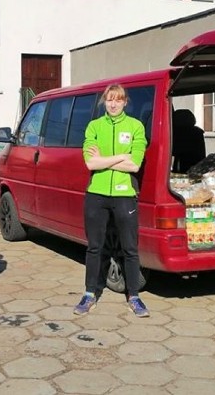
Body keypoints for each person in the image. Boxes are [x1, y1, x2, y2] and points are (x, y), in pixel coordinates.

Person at [75, 84, 150, 317]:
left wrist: (104, 159)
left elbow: (135, 165)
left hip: (125, 195)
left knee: (129, 248)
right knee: (95, 247)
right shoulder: (94, 126)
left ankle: (134, 296)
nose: (113, 104)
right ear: (104, 102)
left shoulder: (135, 126)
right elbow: (90, 163)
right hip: (96, 194)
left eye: (118, 100)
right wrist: (120, 157)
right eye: (109, 100)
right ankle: (89, 293)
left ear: (126, 102)